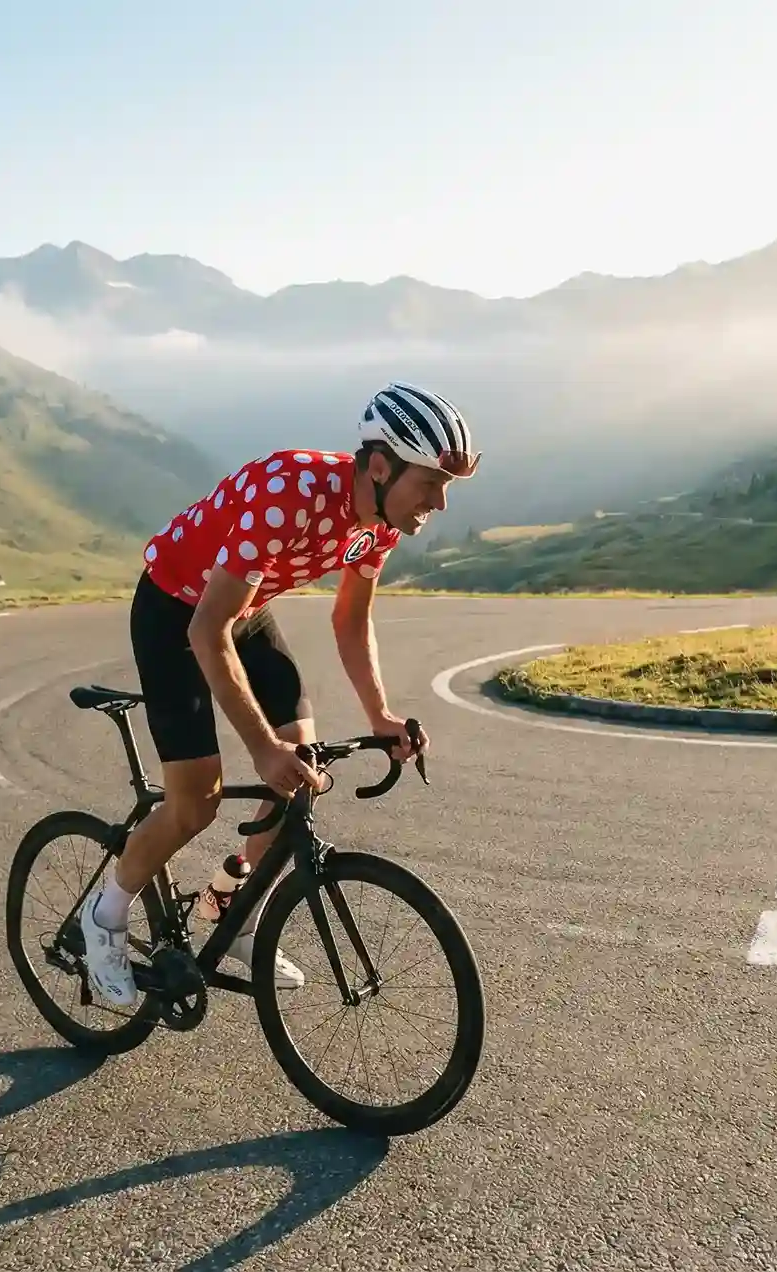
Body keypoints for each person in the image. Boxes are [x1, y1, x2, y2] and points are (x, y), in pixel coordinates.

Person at [79, 381, 481, 1009]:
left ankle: (233, 913)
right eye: (431, 482)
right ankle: (103, 918)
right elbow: (206, 630)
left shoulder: (383, 519)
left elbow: (350, 620)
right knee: (196, 803)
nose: (441, 502)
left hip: (247, 608)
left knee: (301, 770)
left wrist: (381, 714)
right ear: (379, 466)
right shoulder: (286, 493)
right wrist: (262, 747)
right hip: (177, 610)